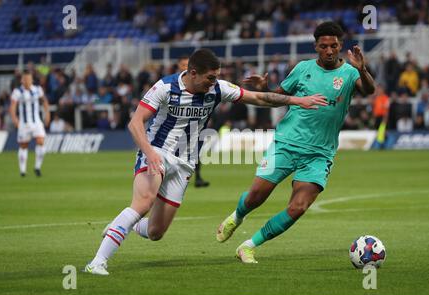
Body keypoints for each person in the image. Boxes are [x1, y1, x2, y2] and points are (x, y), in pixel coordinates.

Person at [84, 48, 327, 275]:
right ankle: (97, 262)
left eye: (216, 78)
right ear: (192, 73)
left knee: (156, 232)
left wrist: (298, 101)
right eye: (210, 78)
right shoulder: (164, 88)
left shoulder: (217, 89)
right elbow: (135, 123)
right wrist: (150, 153)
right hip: (157, 151)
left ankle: (121, 225)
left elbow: (258, 98)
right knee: (143, 202)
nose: (213, 83)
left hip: (185, 164)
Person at [216, 21, 375, 263]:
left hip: (320, 154)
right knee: (256, 196)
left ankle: (248, 246)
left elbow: (369, 91)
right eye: (324, 46)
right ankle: (237, 217)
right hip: (285, 144)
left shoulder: (351, 73)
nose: (330, 51)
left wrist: (363, 69)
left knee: (298, 207)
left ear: (340, 45)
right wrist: (265, 88)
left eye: (334, 46)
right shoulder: (302, 69)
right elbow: (278, 98)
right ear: (316, 47)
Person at [176, 55, 210, 187]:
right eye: (183, 64)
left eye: (187, 65)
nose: (185, 67)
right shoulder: (172, 84)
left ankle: (198, 177)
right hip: (177, 126)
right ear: (178, 66)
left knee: (196, 151)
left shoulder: (198, 84)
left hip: (195, 125)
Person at [9, 71, 50, 177]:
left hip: (36, 122)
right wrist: (15, 120)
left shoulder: (37, 90)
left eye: (29, 79)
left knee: (41, 141)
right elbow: (13, 106)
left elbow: (44, 102)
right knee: (23, 146)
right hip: (24, 123)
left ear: (31, 80)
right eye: (25, 79)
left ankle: (37, 167)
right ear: (22, 80)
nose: (27, 81)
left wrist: (47, 115)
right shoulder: (17, 92)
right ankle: (23, 171)